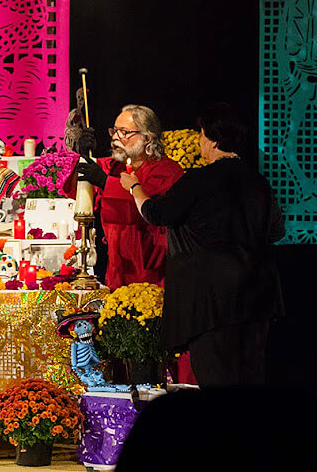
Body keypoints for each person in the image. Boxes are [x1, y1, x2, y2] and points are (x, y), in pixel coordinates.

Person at [120, 103, 283, 388]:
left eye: (201, 134)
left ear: (213, 140)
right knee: (251, 381)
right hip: (258, 297)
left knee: (217, 381)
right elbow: (277, 231)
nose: (198, 141)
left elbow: (157, 214)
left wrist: (135, 188)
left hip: (212, 301)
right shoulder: (259, 182)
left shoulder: (198, 180)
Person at [66, 104, 183, 290]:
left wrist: (105, 182)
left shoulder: (166, 170)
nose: (115, 138)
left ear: (147, 138)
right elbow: (77, 191)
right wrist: (81, 155)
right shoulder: (112, 166)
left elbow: (147, 207)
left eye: (124, 132)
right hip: (116, 271)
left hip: (152, 271)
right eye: (114, 131)